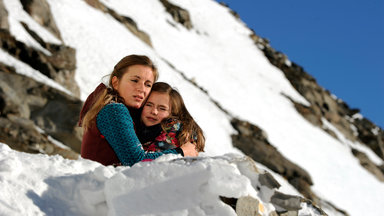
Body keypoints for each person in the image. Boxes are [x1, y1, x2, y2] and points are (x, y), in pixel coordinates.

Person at [78, 55, 198, 166]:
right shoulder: (114, 110)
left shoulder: (124, 110)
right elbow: (136, 160)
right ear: (115, 82)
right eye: (135, 80)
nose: (142, 89)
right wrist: (181, 152)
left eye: (147, 84)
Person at [135, 82, 205, 153]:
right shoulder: (134, 124)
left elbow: (147, 160)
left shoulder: (173, 129)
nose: (154, 111)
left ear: (173, 113)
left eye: (162, 108)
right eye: (149, 105)